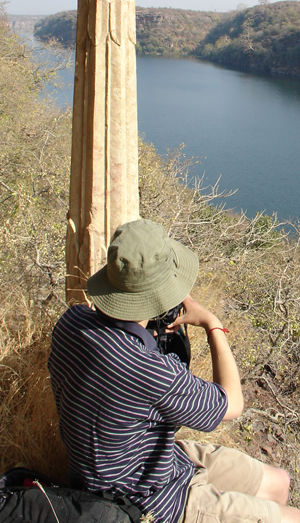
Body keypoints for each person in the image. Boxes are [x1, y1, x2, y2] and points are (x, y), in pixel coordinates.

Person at [48, 218, 300, 523]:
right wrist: (212, 324)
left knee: (279, 482)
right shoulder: (150, 371)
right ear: (159, 295)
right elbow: (233, 404)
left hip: (155, 461)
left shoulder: (70, 324)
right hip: (153, 503)